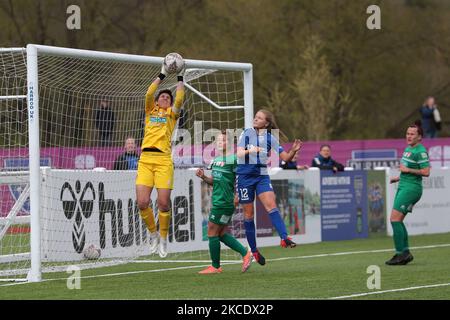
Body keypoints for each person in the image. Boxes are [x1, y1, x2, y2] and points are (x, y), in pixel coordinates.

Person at [237, 109, 302, 265]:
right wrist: (250, 150)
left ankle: (284, 237)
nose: (255, 119)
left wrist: (293, 150)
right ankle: (254, 251)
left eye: (259, 118)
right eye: (256, 117)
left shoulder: (270, 138)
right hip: (245, 177)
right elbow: (239, 154)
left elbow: (285, 158)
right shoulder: (246, 133)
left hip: (261, 176)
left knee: (271, 205)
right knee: (248, 215)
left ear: (266, 123)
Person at [135, 61, 185, 258]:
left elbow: (180, 98)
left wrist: (181, 76)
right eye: (162, 96)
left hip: (164, 160)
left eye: (167, 97)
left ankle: (164, 238)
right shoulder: (150, 111)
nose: (165, 97)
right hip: (145, 159)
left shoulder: (172, 114)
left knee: (163, 203)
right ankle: (153, 234)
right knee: (142, 202)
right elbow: (148, 93)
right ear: (157, 102)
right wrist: (162, 74)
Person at [195, 131, 252, 274]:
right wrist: (203, 177)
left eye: (224, 140)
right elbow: (214, 182)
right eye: (219, 140)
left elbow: (242, 176)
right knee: (220, 233)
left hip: (224, 201)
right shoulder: (215, 161)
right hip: (219, 201)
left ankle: (215, 267)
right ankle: (245, 254)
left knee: (211, 231)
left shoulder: (234, 159)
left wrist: (238, 194)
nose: (221, 142)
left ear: (230, 144)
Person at [386, 123, 430, 265]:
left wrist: (407, 171)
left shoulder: (420, 151)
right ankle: (405, 253)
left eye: (412, 134)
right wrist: (398, 177)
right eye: (407, 133)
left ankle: (401, 254)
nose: (409, 136)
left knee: (394, 219)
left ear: (419, 137)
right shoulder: (408, 149)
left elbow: (426, 172)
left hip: (411, 189)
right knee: (397, 220)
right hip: (403, 185)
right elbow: (407, 169)